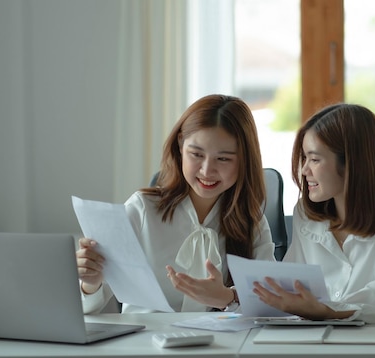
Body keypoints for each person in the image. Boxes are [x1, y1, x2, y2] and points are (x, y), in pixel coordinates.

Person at [77, 94, 275, 314]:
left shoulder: (251, 220)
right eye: (197, 154)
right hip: (145, 343)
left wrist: (228, 297)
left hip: (218, 346)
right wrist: (90, 282)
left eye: (224, 159)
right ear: (180, 145)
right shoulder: (142, 209)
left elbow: (270, 303)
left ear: (245, 160)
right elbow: (87, 309)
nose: (207, 170)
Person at [252, 103, 375, 323]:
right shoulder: (305, 213)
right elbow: (292, 283)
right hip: (315, 339)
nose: (304, 170)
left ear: (352, 163)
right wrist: (235, 294)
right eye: (304, 158)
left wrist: (328, 311)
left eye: (314, 159)